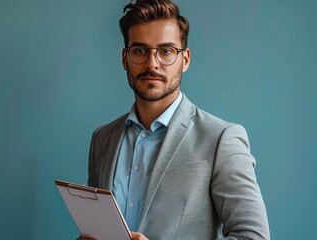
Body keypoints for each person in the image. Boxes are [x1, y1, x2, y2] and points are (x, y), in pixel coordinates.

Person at [79, 0, 270, 239]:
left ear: (185, 59)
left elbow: (252, 236)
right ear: (125, 59)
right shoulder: (102, 139)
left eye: (166, 51)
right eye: (140, 50)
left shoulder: (221, 139)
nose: (152, 63)